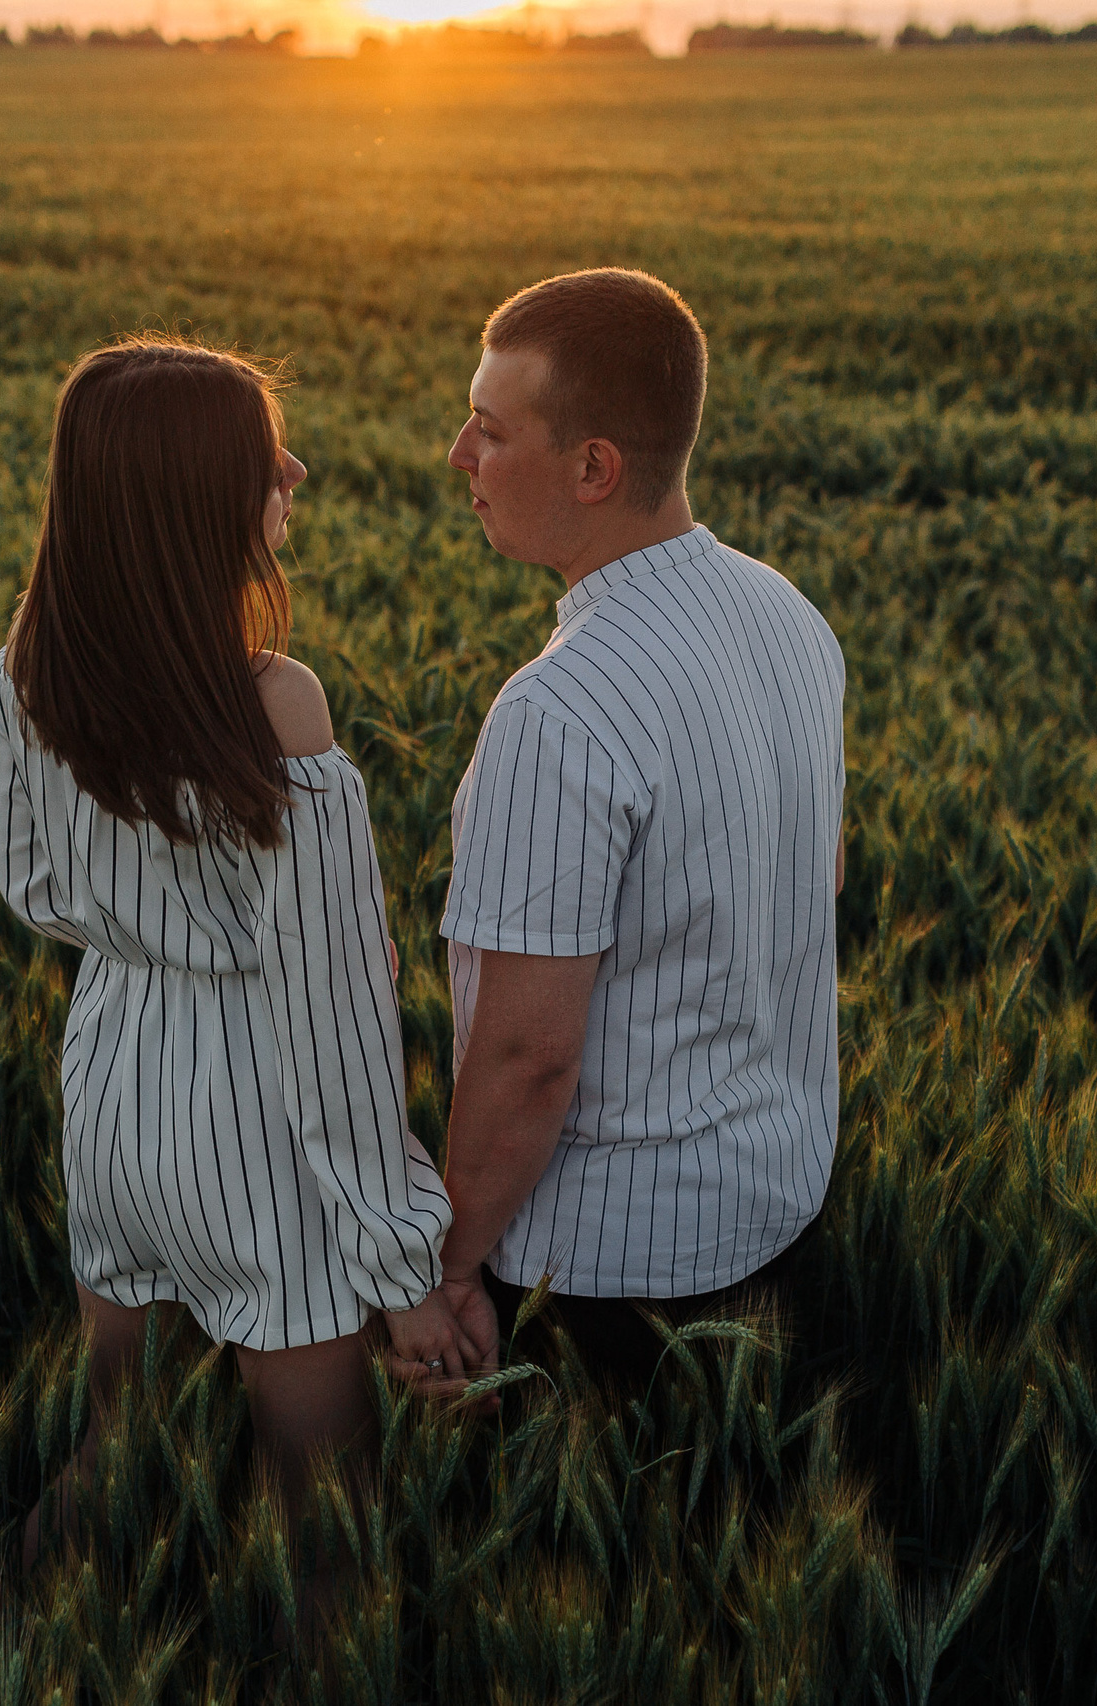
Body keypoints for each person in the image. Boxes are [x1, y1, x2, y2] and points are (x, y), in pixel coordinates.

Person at [0, 337, 477, 1565]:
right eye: (264, 460)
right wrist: (407, 1272)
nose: (296, 467)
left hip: (110, 1080)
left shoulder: (26, 677)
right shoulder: (274, 703)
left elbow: (34, 888)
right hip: (263, 1129)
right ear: (191, 500)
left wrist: (149, 932)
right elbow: (333, 1012)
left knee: (114, 1444)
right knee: (328, 1511)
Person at [430, 269, 848, 1384]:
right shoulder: (788, 613)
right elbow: (813, 881)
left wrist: (452, 1265)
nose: (458, 458)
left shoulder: (557, 712)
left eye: (487, 429)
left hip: (610, 1272)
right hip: (785, 1202)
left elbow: (526, 1056)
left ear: (592, 467)